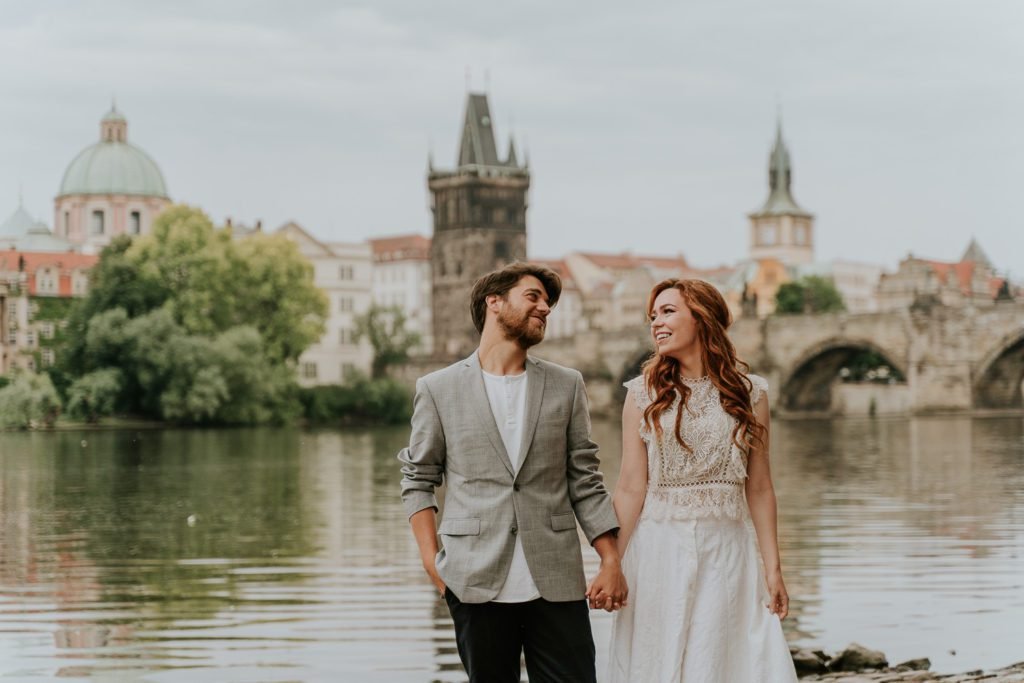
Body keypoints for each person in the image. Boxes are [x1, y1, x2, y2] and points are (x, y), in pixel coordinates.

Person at [399, 262, 627, 683]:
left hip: (556, 579)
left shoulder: (567, 384)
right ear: (495, 302)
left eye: (549, 301)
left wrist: (610, 559)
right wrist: (432, 563)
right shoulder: (438, 388)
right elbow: (418, 479)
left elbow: (585, 480)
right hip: (474, 579)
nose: (545, 308)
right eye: (533, 296)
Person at [607, 278, 798, 682]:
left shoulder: (751, 394)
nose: (656, 323)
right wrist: (612, 564)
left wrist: (773, 569)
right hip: (658, 551)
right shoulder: (641, 394)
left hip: (727, 551)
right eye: (652, 315)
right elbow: (629, 488)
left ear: (701, 317)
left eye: (668, 311)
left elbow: (760, 488)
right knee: (657, 663)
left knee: (720, 662)